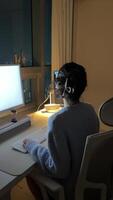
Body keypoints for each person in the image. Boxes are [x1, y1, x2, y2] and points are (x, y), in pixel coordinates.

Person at [23, 62, 99, 200]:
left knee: (30, 173)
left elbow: (59, 170)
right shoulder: (90, 110)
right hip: (88, 183)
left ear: (61, 88)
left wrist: (32, 146)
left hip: (69, 189)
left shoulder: (57, 121)